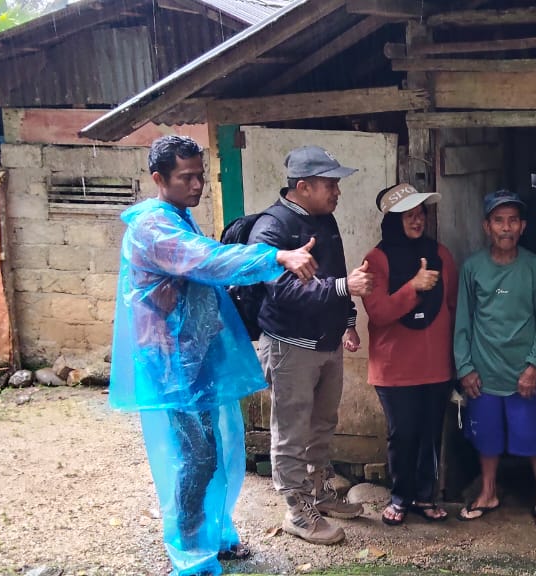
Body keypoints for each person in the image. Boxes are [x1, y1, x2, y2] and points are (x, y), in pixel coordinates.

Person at [110, 135, 318, 576]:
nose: (197, 184)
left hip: (195, 358)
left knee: (217, 449)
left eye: (200, 175)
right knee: (196, 457)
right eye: (186, 177)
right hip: (170, 365)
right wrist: (274, 255)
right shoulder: (154, 227)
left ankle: (215, 535)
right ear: (158, 179)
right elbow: (205, 260)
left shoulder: (178, 217)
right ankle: (189, 551)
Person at [250, 146, 372, 545]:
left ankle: (319, 492)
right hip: (290, 346)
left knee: (323, 422)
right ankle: (296, 511)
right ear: (303, 187)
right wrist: (343, 288)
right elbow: (283, 290)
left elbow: (338, 276)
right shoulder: (272, 228)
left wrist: (349, 321)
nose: (337, 191)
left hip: (327, 342)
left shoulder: (324, 218)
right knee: (290, 429)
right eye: (330, 184)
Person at [453, 189, 536, 529]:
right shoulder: (473, 268)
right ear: (487, 226)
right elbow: (464, 321)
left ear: (523, 226)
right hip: (484, 371)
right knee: (487, 438)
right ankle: (488, 492)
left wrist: (535, 366)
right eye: (499, 220)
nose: (506, 227)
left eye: (513, 220)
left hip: (523, 373)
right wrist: (465, 367)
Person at [360, 183, 459, 525]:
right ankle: (400, 496)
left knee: (431, 434)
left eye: (421, 214)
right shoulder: (376, 260)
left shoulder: (441, 254)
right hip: (394, 369)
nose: (417, 221)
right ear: (393, 219)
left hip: (435, 366)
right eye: (409, 215)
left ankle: (425, 496)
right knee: (402, 435)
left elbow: (451, 305)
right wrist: (413, 287)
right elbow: (379, 313)